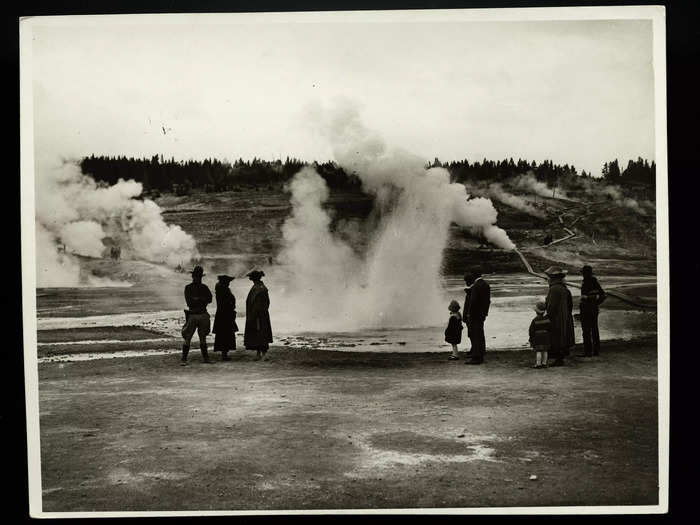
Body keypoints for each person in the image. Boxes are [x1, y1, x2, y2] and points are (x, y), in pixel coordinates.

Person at [181, 265, 213, 366]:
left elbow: (208, 299)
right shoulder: (203, 288)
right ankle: (204, 358)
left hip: (194, 315)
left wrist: (197, 299)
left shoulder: (189, 288)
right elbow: (206, 299)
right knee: (192, 337)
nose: (197, 278)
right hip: (200, 314)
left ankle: (185, 359)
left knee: (193, 337)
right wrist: (202, 300)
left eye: (198, 276)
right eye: (196, 276)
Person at [544, 266, 575, 367]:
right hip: (565, 317)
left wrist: (548, 317)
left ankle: (558, 359)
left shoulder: (553, 289)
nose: (547, 279)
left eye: (549, 277)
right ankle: (560, 357)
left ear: (553, 278)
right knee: (563, 337)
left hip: (556, 318)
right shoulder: (565, 289)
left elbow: (551, 306)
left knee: (556, 337)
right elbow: (570, 305)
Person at [244, 270, 273, 361]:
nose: (250, 279)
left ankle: (263, 354)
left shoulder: (260, 288)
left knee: (261, 334)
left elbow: (263, 304)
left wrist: (255, 314)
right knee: (258, 334)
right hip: (257, 314)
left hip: (259, 315)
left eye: (252, 277)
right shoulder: (258, 287)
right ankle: (259, 353)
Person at [464, 268, 491, 365]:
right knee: (480, 334)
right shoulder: (485, 284)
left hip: (475, 315)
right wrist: (485, 313)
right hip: (481, 315)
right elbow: (487, 302)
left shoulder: (476, 286)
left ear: (474, 275)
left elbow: (473, 302)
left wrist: (469, 314)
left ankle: (476, 357)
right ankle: (481, 353)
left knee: (475, 335)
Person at [579, 265, 606, 357]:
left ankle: (588, 352)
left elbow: (602, 295)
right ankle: (595, 351)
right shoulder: (593, 281)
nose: (583, 275)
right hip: (593, 309)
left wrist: (588, 298)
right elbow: (602, 295)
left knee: (586, 330)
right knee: (594, 329)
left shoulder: (589, 282)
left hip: (587, 310)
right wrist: (596, 303)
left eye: (583, 273)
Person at [213, 275, 238, 361]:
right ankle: (224, 354)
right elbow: (228, 302)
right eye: (228, 282)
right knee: (225, 334)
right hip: (225, 315)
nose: (229, 284)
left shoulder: (221, 290)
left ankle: (224, 353)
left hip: (223, 314)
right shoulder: (223, 291)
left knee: (223, 334)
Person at [528, 301, 551, 369]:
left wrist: (531, 337)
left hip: (538, 337)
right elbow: (550, 328)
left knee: (538, 351)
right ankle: (544, 363)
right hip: (546, 336)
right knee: (545, 350)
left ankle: (538, 364)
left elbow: (531, 330)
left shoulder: (535, 320)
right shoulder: (547, 319)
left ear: (536, 311)